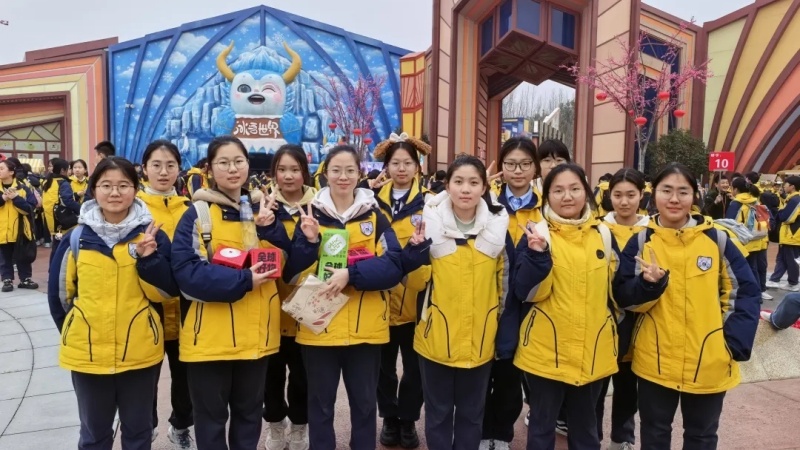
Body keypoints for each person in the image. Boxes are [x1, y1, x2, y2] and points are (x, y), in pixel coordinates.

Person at [170, 136, 319, 450]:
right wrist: (244, 280)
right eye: (223, 162)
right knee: (211, 423)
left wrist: (294, 237)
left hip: (257, 338)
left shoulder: (265, 210)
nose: (232, 169)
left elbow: (288, 269)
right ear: (209, 169)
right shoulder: (198, 214)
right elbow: (187, 274)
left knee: (249, 419)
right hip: (209, 341)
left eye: (238, 161)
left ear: (248, 166)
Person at [613, 163, 760, 449]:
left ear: (695, 196)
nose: (674, 199)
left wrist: (731, 344)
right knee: (654, 433)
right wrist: (647, 285)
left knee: (702, 435)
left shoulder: (716, 240)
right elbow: (624, 297)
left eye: (683, 191)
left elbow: (744, 292)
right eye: (666, 190)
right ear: (654, 194)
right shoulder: (641, 241)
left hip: (709, 358)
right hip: (654, 359)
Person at [48, 157, 178, 450]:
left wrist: (149, 260)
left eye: (123, 185)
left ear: (135, 189)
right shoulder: (76, 238)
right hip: (88, 354)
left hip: (140, 352)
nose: (115, 192)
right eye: (106, 185)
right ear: (94, 189)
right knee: (94, 435)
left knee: (138, 433)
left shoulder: (152, 236)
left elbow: (166, 293)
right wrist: (77, 329)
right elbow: (59, 297)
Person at [285, 144, 404, 450]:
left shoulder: (375, 216)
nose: (343, 177)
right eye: (336, 170)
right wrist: (309, 243)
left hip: (366, 331)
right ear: (325, 173)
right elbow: (291, 273)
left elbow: (393, 266)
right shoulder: (310, 215)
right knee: (320, 406)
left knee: (364, 406)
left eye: (350, 170)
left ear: (359, 173)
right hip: (318, 329)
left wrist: (352, 274)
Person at [401, 155, 513, 450]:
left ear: (484, 187)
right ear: (447, 186)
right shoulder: (428, 227)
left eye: (474, 182)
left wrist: (498, 329)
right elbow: (414, 283)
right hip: (435, 340)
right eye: (459, 181)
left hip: (480, 341)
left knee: (472, 416)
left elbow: (503, 288)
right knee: (437, 415)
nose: (466, 189)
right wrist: (414, 254)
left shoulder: (497, 230)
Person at [513, 163, 618, 450]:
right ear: (547, 196)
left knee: (586, 431)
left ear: (586, 192)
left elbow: (617, 293)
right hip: (544, 352)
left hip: (592, 351)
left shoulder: (604, 235)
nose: (567, 196)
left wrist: (649, 285)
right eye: (558, 190)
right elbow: (525, 292)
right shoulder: (536, 235)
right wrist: (537, 257)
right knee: (541, 429)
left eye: (574, 189)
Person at [371, 134, 432, 449]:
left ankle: (408, 418)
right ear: (387, 166)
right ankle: (389, 417)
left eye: (408, 163)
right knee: (382, 368)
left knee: (414, 367)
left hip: (416, 300)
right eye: (395, 163)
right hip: (379, 298)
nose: (402, 169)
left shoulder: (431, 202)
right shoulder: (371, 201)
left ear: (417, 166)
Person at [480, 137, 541, 450]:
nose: (518, 171)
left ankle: (502, 433)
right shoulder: (486, 203)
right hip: (485, 298)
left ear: (535, 168)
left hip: (526, 304)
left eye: (525, 164)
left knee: (509, 375)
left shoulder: (545, 208)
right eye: (511, 164)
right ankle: (481, 432)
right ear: (501, 167)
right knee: (480, 373)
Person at [136, 140, 196, 449]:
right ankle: (144, 430)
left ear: (179, 169)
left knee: (186, 374)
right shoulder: (133, 208)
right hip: (147, 307)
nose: (163, 172)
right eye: (156, 165)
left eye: (170, 165)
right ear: (144, 168)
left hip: (186, 306)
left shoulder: (190, 209)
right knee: (144, 376)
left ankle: (181, 426)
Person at [263, 144, 316, 450]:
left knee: (302, 377)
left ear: (304, 173)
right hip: (269, 310)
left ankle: (298, 426)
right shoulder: (263, 208)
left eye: (295, 169)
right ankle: (274, 425)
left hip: (307, 312)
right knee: (269, 377)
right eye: (282, 169)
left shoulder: (320, 207)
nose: (288, 176)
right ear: (274, 173)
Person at [597, 168, 650, 450]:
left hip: (638, 321)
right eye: (618, 195)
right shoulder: (598, 229)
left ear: (642, 195)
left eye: (631, 195)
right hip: (601, 321)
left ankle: (622, 438)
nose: (624, 201)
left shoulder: (652, 232)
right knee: (595, 388)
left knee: (628, 387)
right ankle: (591, 437)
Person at [727, 177, 772, 301]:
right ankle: (758, 293)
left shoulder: (736, 203)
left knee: (746, 270)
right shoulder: (755, 201)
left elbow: (729, 223)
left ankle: (753, 295)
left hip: (743, 241)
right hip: (758, 239)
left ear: (735, 189)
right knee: (755, 268)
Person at [0, 159, 38, 292]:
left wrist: (16, 198)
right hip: (2, 230)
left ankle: (25, 279)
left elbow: (31, 207)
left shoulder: (23, 188)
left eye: (1, 168)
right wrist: (3, 199)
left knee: (23, 255)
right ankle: (7, 280)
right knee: (4, 256)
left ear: (11, 172)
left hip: (21, 230)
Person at [42, 158, 81, 258]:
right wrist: (81, 209)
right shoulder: (63, 183)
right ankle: (57, 267)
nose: (70, 171)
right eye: (69, 169)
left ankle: (53, 267)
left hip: (52, 221)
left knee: (56, 247)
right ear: (63, 170)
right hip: (63, 222)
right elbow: (68, 201)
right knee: (62, 249)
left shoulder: (48, 182)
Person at [767, 176, 800, 292]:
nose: (784, 186)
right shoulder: (791, 198)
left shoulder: (795, 200)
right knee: (782, 258)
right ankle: (774, 280)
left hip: (792, 236)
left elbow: (786, 217)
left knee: (791, 260)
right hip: (787, 236)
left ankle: (793, 283)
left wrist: (780, 212)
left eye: (786, 184)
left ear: (792, 186)